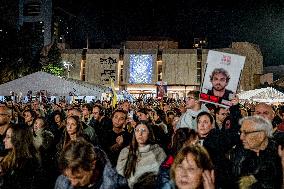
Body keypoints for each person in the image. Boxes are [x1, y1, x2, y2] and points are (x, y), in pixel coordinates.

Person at [229, 116, 282, 188]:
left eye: (246, 133)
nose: (241, 137)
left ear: (260, 135)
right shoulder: (243, 154)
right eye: (240, 132)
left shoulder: (279, 156)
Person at [54, 139, 128, 189]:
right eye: (69, 177)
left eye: (79, 177)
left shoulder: (117, 185)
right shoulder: (62, 181)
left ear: (93, 165)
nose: (73, 183)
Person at [116, 121, 166, 188]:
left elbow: (163, 175)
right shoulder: (126, 151)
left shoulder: (158, 151)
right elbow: (120, 175)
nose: (140, 134)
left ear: (149, 133)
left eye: (144, 130)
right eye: (137, 130)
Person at [0, 124, 41, 189]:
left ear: (18, 139)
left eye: (8, 137)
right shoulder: (10, 155)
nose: (4, 140)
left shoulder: (28, 164)